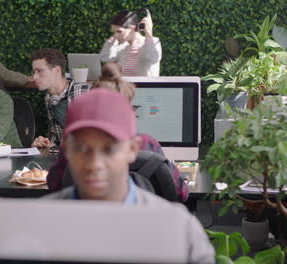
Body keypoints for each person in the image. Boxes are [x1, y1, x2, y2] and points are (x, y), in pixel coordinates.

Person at [43, 89, 214, 263]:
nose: (94, 164)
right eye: (80, 148)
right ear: (67, 149)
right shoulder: (35, 223)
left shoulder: (182, 231)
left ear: (133, 149)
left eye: (109, 149)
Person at [47, 62, 189, 202]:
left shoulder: (75, 141)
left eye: (110, 149)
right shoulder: (148, 143)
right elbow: (179, 192)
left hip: (83, 220)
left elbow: (54, 184)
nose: (95, 164)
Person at [30, 48, 90, 148]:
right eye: (34, 72)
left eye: (40, 71)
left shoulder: (81, 92)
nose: (34, 77)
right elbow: (57, 138)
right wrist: (47, 143)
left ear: (57, 71)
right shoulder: (49, 98)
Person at [100, 9, 162, 76]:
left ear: (132, 29)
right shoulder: (122, 47)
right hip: (126, 86)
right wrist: (110, 42)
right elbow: (105, 58)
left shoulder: (152, 42)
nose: (115, 35)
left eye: (119, 31)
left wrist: (148, 34)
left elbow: (149, 58)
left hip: (146, 86)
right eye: (114, 32)